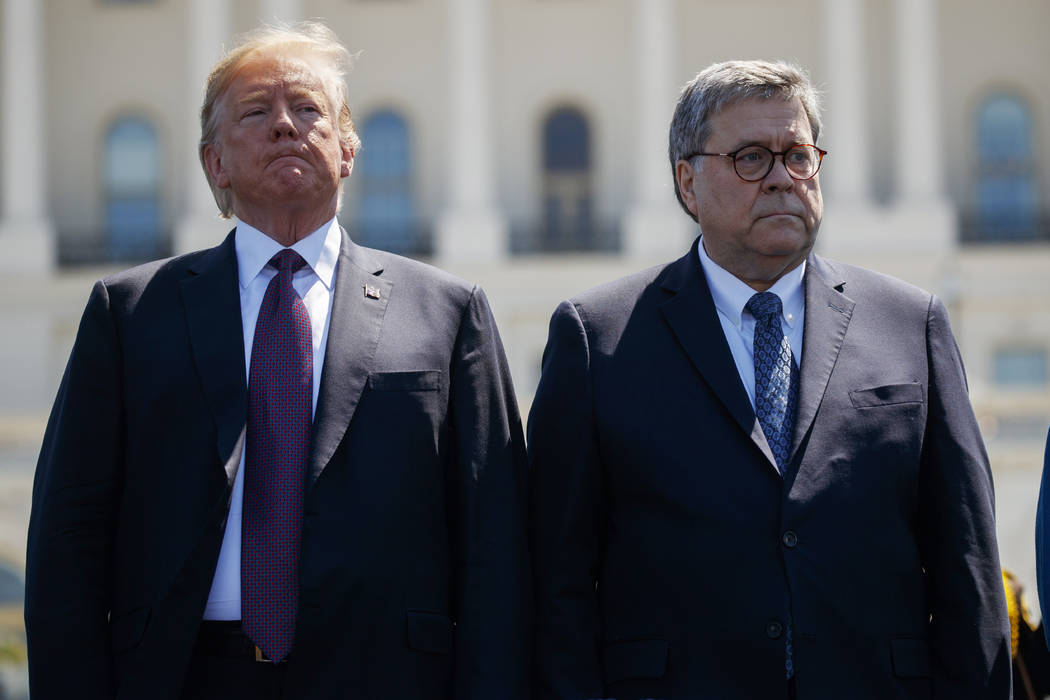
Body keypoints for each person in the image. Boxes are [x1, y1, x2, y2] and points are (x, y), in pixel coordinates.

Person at [25, 22, 529, 700]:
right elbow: (68, 538)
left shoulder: (448, 311)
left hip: (388, 675)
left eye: (309, 109)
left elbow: (496, 541)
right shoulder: (130, 314)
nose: (286, 127)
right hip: (183, 674)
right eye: (257, 112)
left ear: (349, 149)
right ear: (215, 164)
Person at [528, 59, 1010, 699]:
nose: (784, 178)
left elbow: (967, 562)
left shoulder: (910, 324)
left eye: (800, 156)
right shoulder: (599, 337)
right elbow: (554, 577)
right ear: (687, 183)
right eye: (753, 157)